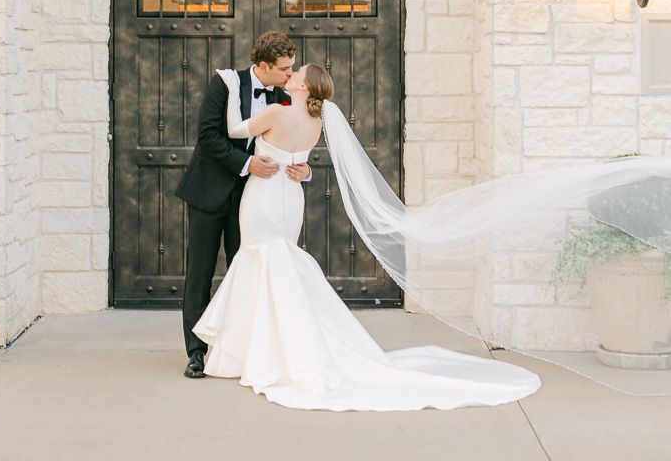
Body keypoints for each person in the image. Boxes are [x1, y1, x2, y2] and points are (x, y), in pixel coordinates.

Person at [193, 63, 542, 411]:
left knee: (259, 261)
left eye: (296, 74)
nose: (290, 75)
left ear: (303, 87)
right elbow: (298, 160)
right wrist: (308, 170)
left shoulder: (275, 113)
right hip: (291, 197)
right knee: (277, 263)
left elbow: (235, 130)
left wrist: (229, 84)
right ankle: (277, 348)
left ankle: (265, 353)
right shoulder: (316, 123)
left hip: (264, 197)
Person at [175, 31, 311, 380]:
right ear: (263, 66)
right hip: (209, 192)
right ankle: (196, 353)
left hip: (253, 202)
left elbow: (297, 142)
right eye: (283, 69)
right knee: (200, 274)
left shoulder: (286, 97)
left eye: (292, 68)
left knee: (248, 275)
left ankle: (242, 350)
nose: (289, 74)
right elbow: (208, 136)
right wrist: (246, 163)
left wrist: (305, 168)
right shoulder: (225, 84)